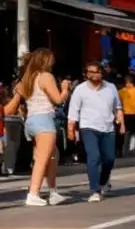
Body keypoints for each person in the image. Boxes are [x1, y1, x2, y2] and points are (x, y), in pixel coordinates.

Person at [7, 49, 71, 207]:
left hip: (31, 121)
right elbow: (58, 100)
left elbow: (12, 106)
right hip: (44, 120)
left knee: (52, 154)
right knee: (42, 158)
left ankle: (53, 191)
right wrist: (64, 89)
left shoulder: (27, 79)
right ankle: (33, 193)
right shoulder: (45, 76)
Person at [67, 62, 124, 202]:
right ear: (86, 74)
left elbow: (118, 107)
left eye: (96, 71)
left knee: (109, 159)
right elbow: (73, 111)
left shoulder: (110, 88)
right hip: (88, 127)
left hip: (108, 127)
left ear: (101, 72)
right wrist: (71, 129)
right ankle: (95, 190)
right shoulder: (80, 90)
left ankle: (103, 182)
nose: (93, 74)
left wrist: (121, 123)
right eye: (90, 72)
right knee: (94, 157)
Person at [118, 73, 135, 157]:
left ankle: (125, 151)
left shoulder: (120, 92)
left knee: (126, 134)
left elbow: (118, 105)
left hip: (125, 115)